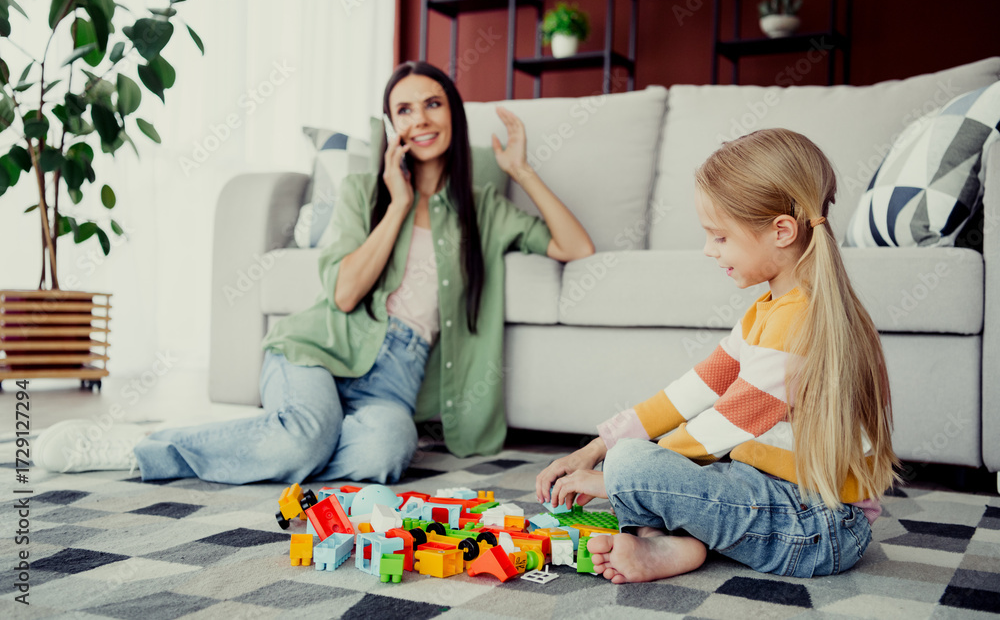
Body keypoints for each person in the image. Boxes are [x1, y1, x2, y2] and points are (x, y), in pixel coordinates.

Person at [36, 61, 595, 484]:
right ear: (391, 125)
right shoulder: (362, 193)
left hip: (393, 386)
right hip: (318, 350)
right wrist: (397, 203)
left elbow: (575, 246)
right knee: (306, 436)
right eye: (404, 109)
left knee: (384, 454)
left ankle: (283, 445)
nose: (420, 119)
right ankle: (141, 451)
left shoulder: (484, 210)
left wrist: (520, 169)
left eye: (433, 104)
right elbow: (347, 293)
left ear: (453, 112)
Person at [535, 128, 898, 582]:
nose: (709, 251)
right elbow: (687, 394)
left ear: (781, 231)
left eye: (719, 237)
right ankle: (672, 545)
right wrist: (594, 449)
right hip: (780, 498)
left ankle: (670, 536)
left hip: (821, 529)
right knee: (640, 458)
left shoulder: (799, 322)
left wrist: (618, 478)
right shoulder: (767, 312)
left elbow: (721, 426)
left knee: (637, 463)